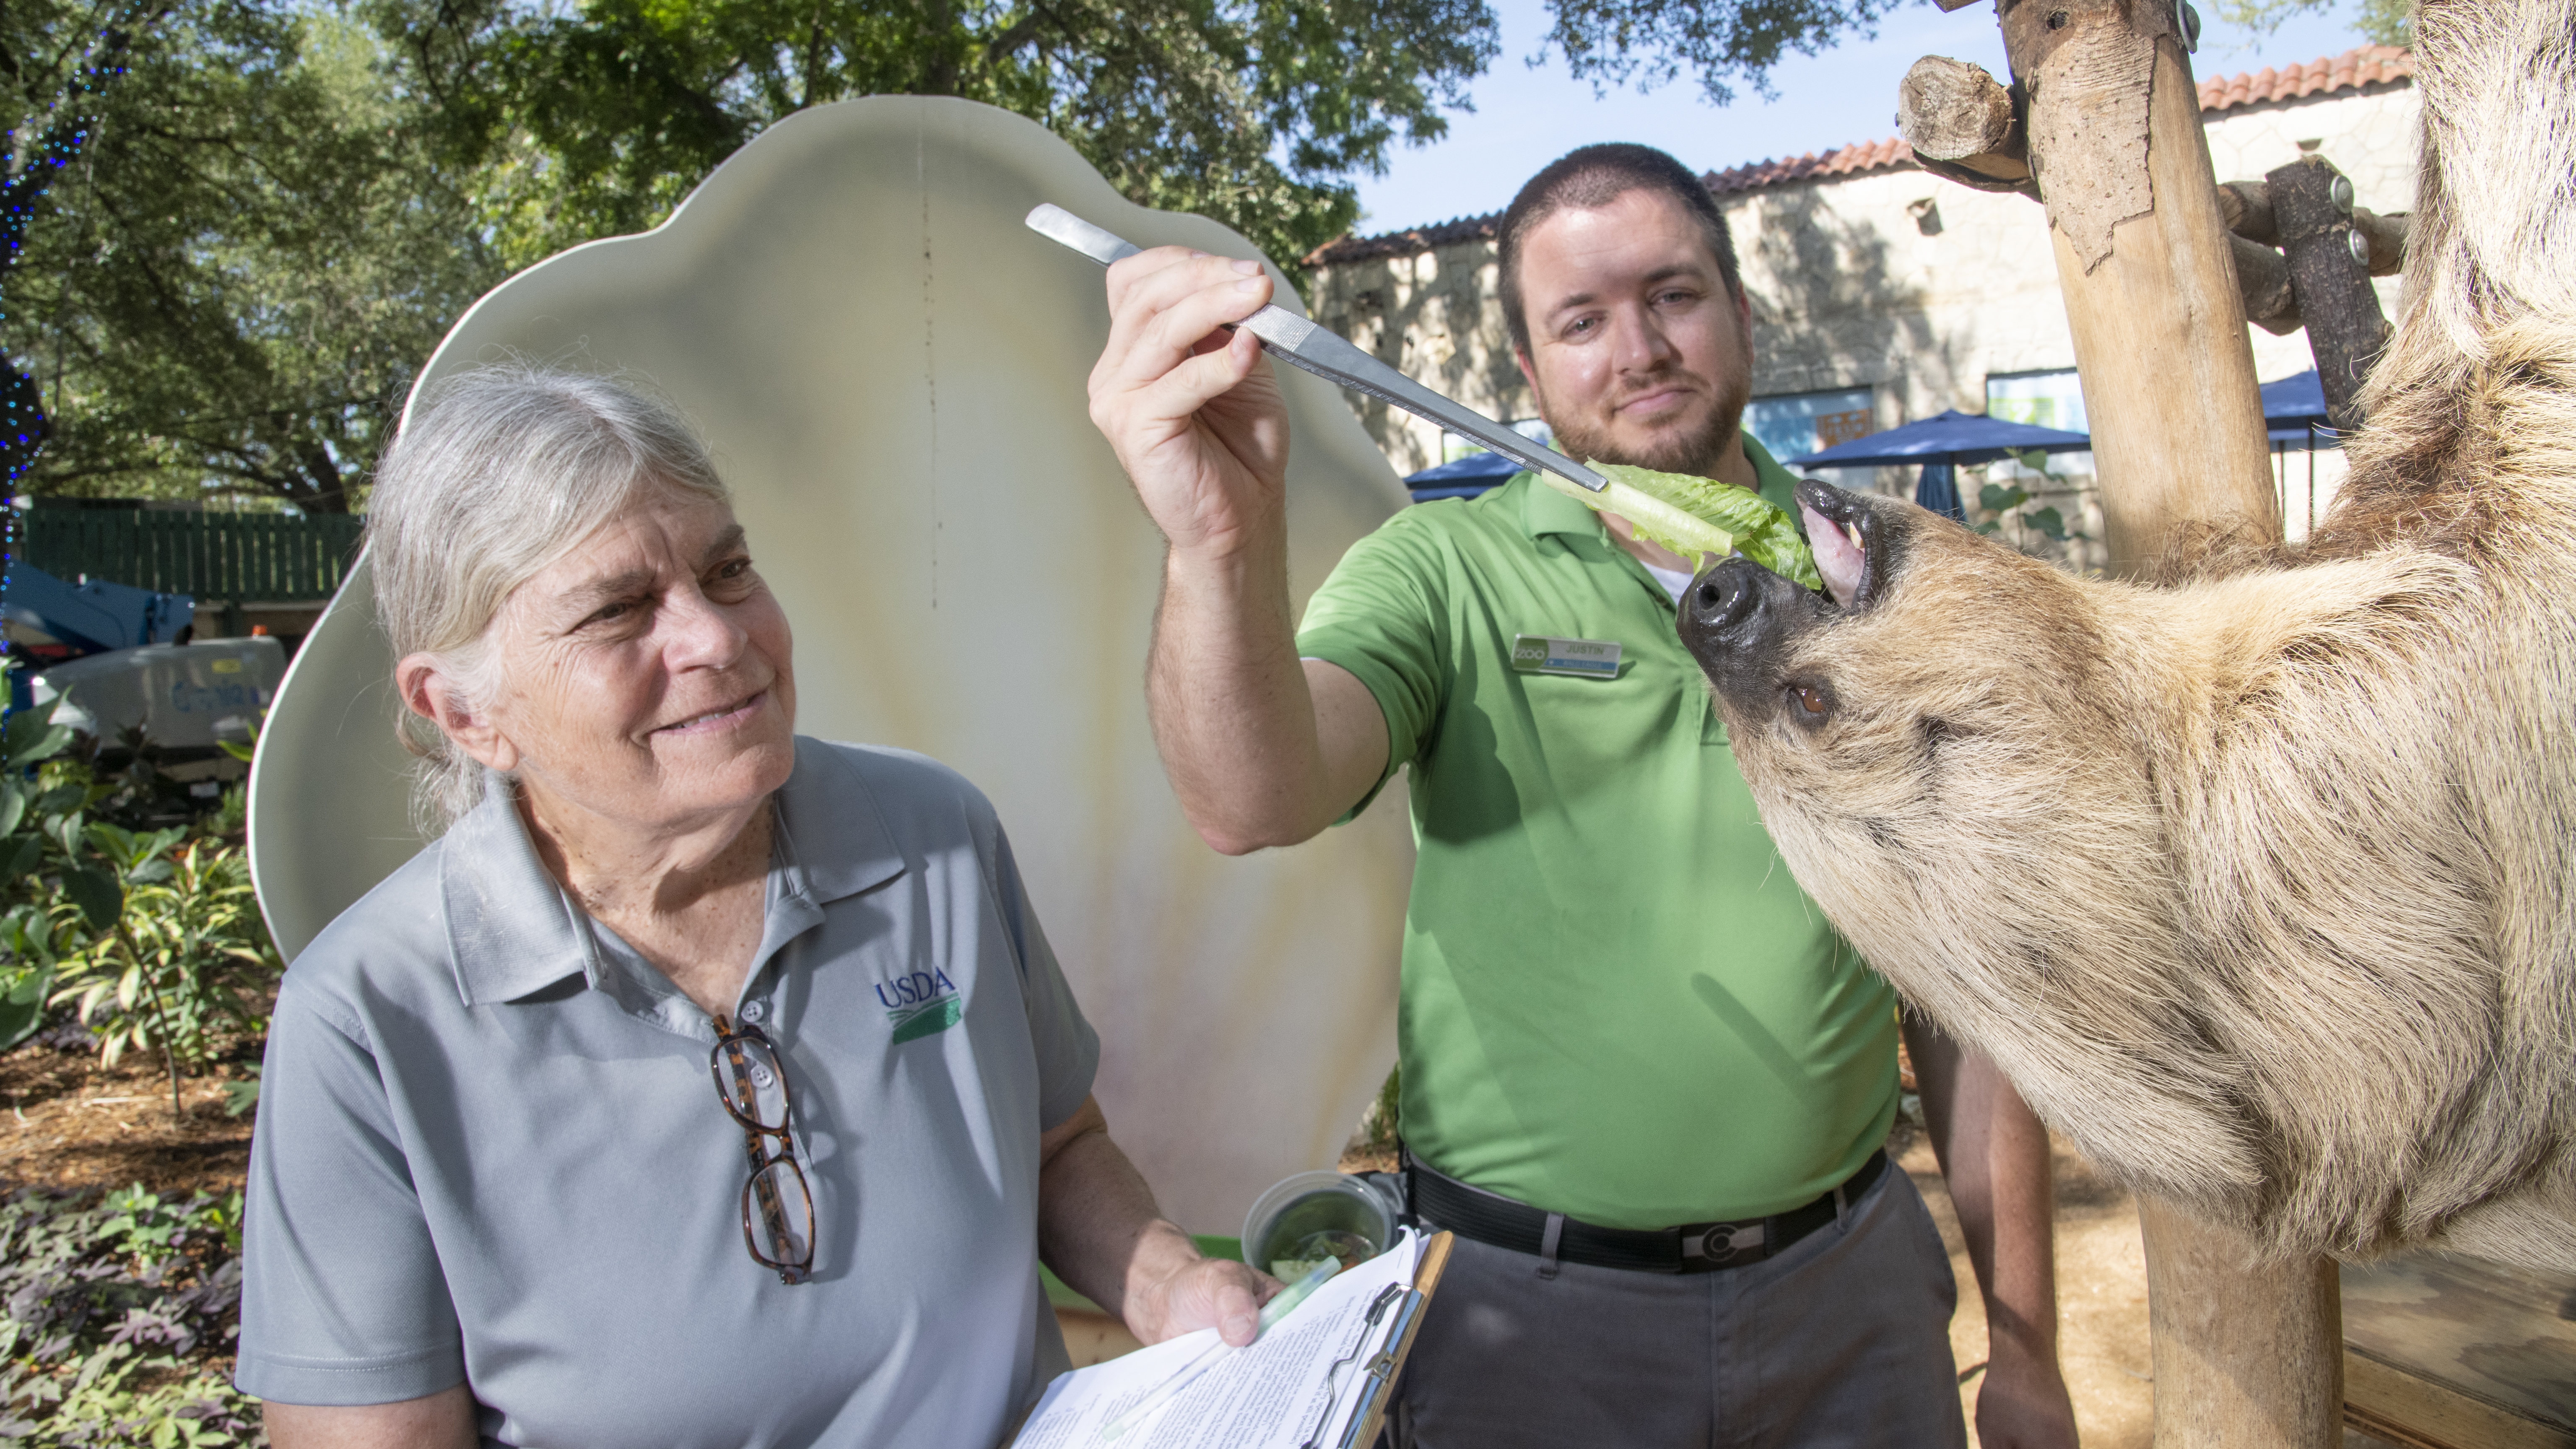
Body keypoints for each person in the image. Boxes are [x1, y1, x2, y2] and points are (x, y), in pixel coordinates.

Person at [1085, 144, 2081, 1446]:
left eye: (1673, 295)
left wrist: (2026, 1350)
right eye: (1581, 321)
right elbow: (1251, 795)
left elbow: (1975, 1002)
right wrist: (1218, 541)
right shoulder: (1445, 570)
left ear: (1743, 311)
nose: (1640, 347)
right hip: (1529, 1329)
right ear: (1529, 375)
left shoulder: (1882, 576)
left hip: (1853, 1299)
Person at [234, 366, 1269, 1448]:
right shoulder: (367, 1027)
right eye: (620, 610)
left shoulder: (933, 841)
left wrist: (1165, 1286)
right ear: (464, 712)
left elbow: (1057, 1148)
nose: (719, 638)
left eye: (727, 571)